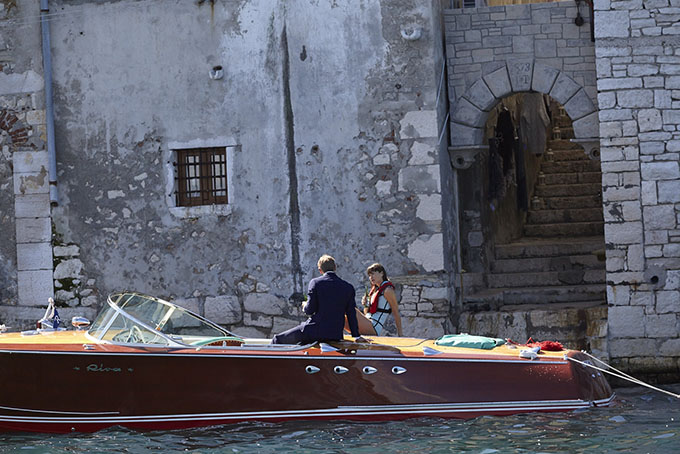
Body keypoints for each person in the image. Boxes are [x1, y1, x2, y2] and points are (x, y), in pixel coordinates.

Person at [272, 254, 362, 344]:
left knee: (277, 340)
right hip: (335, 334)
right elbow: (351, 314)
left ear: (320, 270)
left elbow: (310, 310)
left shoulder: (316, 283)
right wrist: (356, 335)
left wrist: (305, 306)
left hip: (314, 331)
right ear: (335, 267)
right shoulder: (348, 287)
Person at [351, 263, 403, 337]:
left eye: (373, 274)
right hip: (368, 322)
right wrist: (365, 305)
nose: (371, 277)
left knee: (350, 309)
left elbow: (395, 312)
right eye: (369, 275)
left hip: (374, 326)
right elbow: (367, 313)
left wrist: (400, 334)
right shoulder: (374, 291)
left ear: (381, 273)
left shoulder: (387, 290)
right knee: (343, 315)